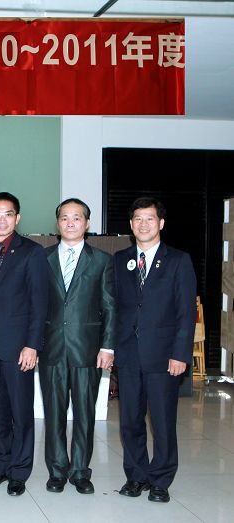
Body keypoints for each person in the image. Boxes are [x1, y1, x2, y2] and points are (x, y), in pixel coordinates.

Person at [114, 196, 196, 503]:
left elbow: (186, 312)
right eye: (138, 219)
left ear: (160, 223)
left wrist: (180, 353)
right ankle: (136, 476)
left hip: (164, 355)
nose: (143, 224)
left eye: (149, 219)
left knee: (162, 422)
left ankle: (161, 480)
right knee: (130, 421)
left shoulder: (178, 260)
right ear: (131, 224)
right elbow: (113, 307)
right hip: (128, 353)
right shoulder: (120, 260)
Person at [0, 192, 49, 496]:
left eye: (8, 214)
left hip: (19, 347)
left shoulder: (32, 252)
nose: (2, 220)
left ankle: (19, 471)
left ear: (17, 218)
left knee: (20, 411)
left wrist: (32, 345)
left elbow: (39, 303)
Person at [40, 198, 116, 495]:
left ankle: (81, 472)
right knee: (54, 413)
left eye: (76, 218)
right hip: (51, 348)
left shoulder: (102, 260)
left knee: (85, 413)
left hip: (87, 349)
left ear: (87, 223)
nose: (70, 223)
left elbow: (110, 307)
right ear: (57, 223)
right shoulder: (42, 258)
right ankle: (57, 470)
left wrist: (107, 347)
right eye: (64, 218)